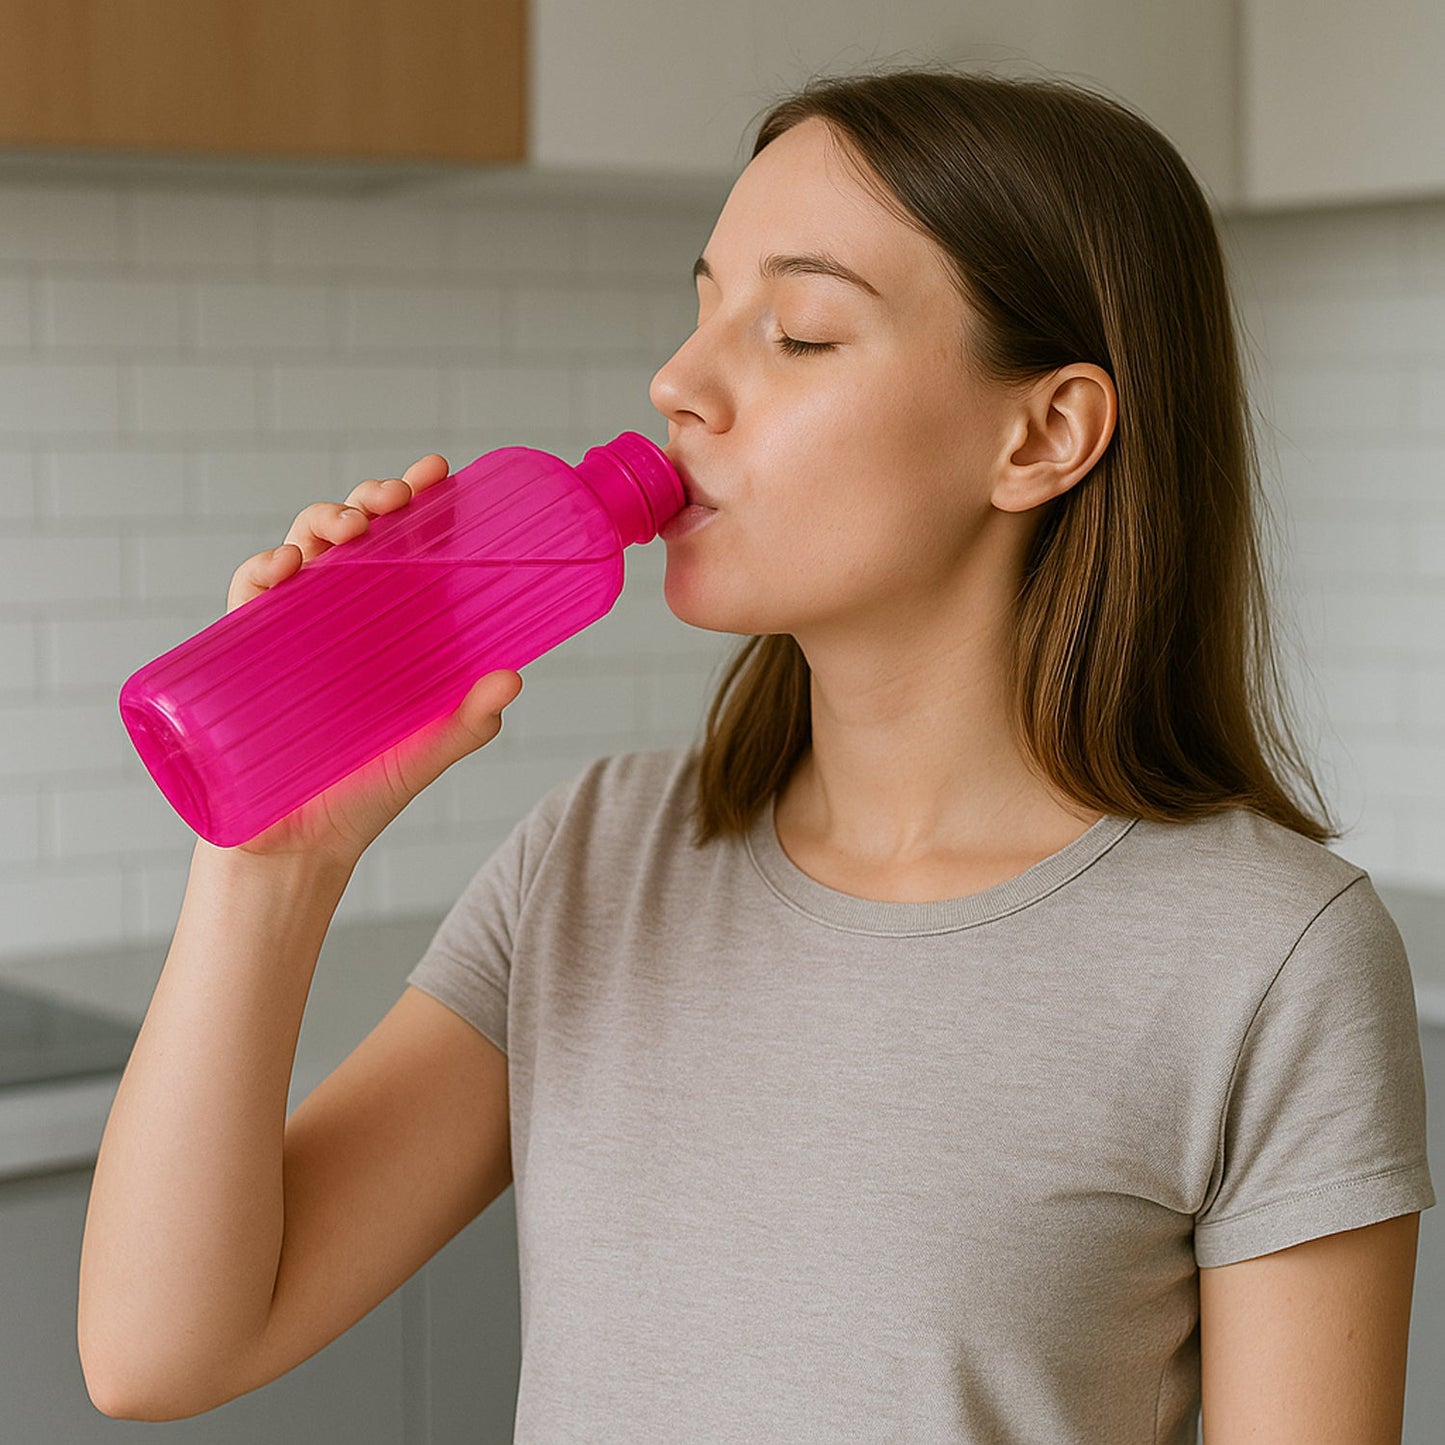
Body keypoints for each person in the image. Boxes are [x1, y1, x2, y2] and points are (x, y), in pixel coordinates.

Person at [78, 63, 1434, 1441]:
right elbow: (161, 1348)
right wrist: (273, 861)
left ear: (1041, 434)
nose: (678, 380)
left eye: (795, 331)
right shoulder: (595, 857)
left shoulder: (1265, 956)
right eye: (703, 302)